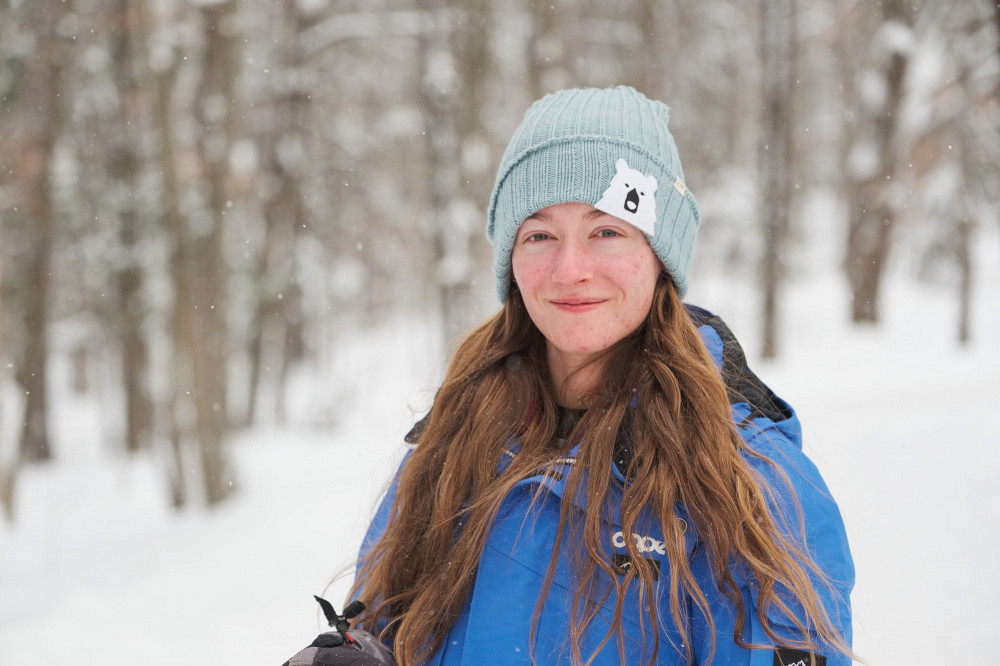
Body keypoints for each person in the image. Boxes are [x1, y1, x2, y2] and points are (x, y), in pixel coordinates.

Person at [286, 86, 854, 666]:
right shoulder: (452, 442)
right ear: (511, 261)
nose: (569, 269)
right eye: (539, 236)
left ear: (660, 255)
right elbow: (387, 624)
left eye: (605, 232)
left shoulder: (751, 479)